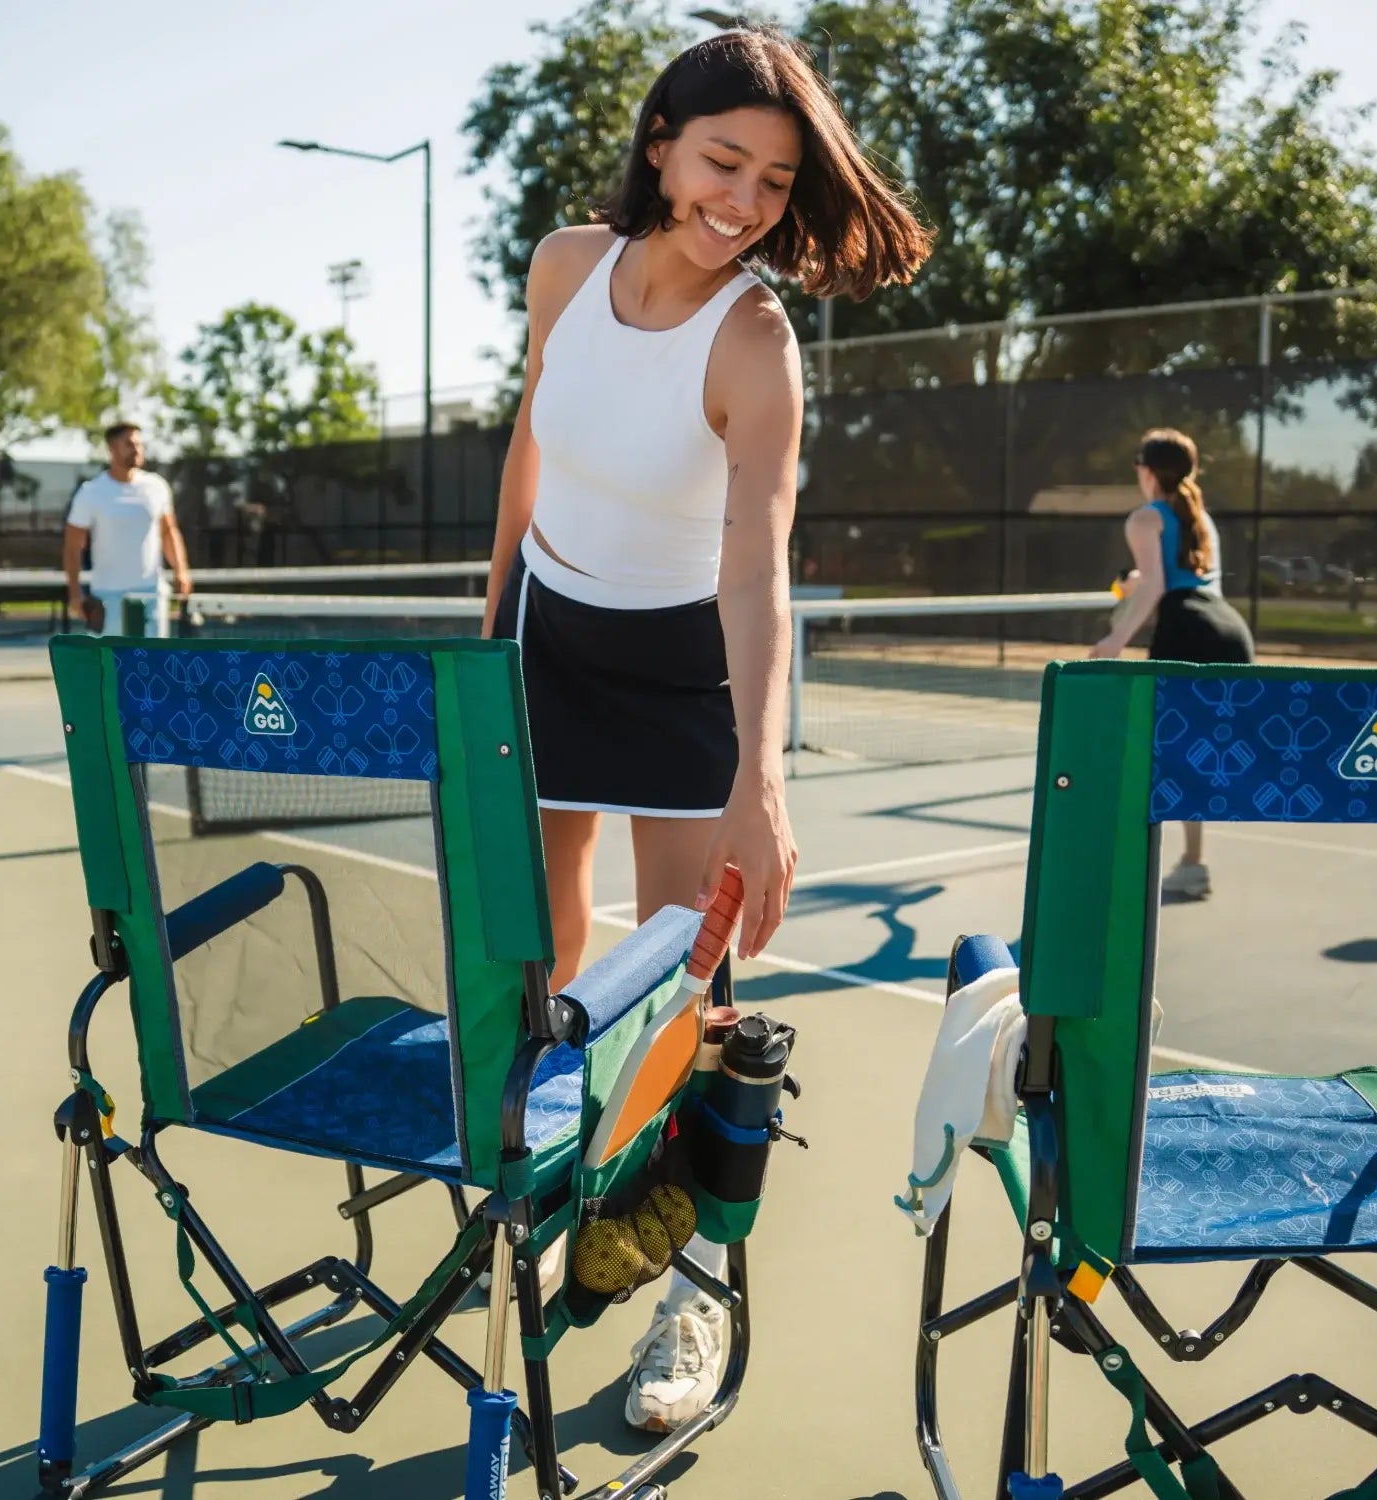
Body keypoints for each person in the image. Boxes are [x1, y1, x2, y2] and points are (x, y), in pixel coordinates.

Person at [480, 25, 933, 1431]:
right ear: (662, 143)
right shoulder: (565, 266)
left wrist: (762, 780)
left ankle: (697, 1287)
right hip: (545, 632)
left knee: (693, 992)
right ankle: (536, 1205)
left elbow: (755, 567)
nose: (743, 200)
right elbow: (532, 442)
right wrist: (488, 630)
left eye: (775, 181)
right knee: (539, 950)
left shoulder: (755, 342)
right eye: (723, 162)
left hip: (680, 668)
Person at [1090, 427, 1255, 900]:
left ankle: (1124, 861)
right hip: (1229, 631)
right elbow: (1171, 578)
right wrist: (1135, 583)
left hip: (1187, 631)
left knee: (1154, 750)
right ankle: (1192, 863)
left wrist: (1115, 640)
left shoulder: (1144, 518)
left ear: (1145, 471)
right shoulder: (1199, 517)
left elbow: (1158, 586)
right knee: (1191, 752)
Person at [64, 422, 191, 636]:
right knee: (110, 657)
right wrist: (75, 594)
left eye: (139, 444)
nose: (137, 450)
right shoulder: (91, 492)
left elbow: (168, 532)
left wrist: (181, 570)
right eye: (130, 444)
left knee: (153, 657)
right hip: (107, 597)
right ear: (112, 448)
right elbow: (72, 547)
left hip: (151, 595)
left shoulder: (156, 486)